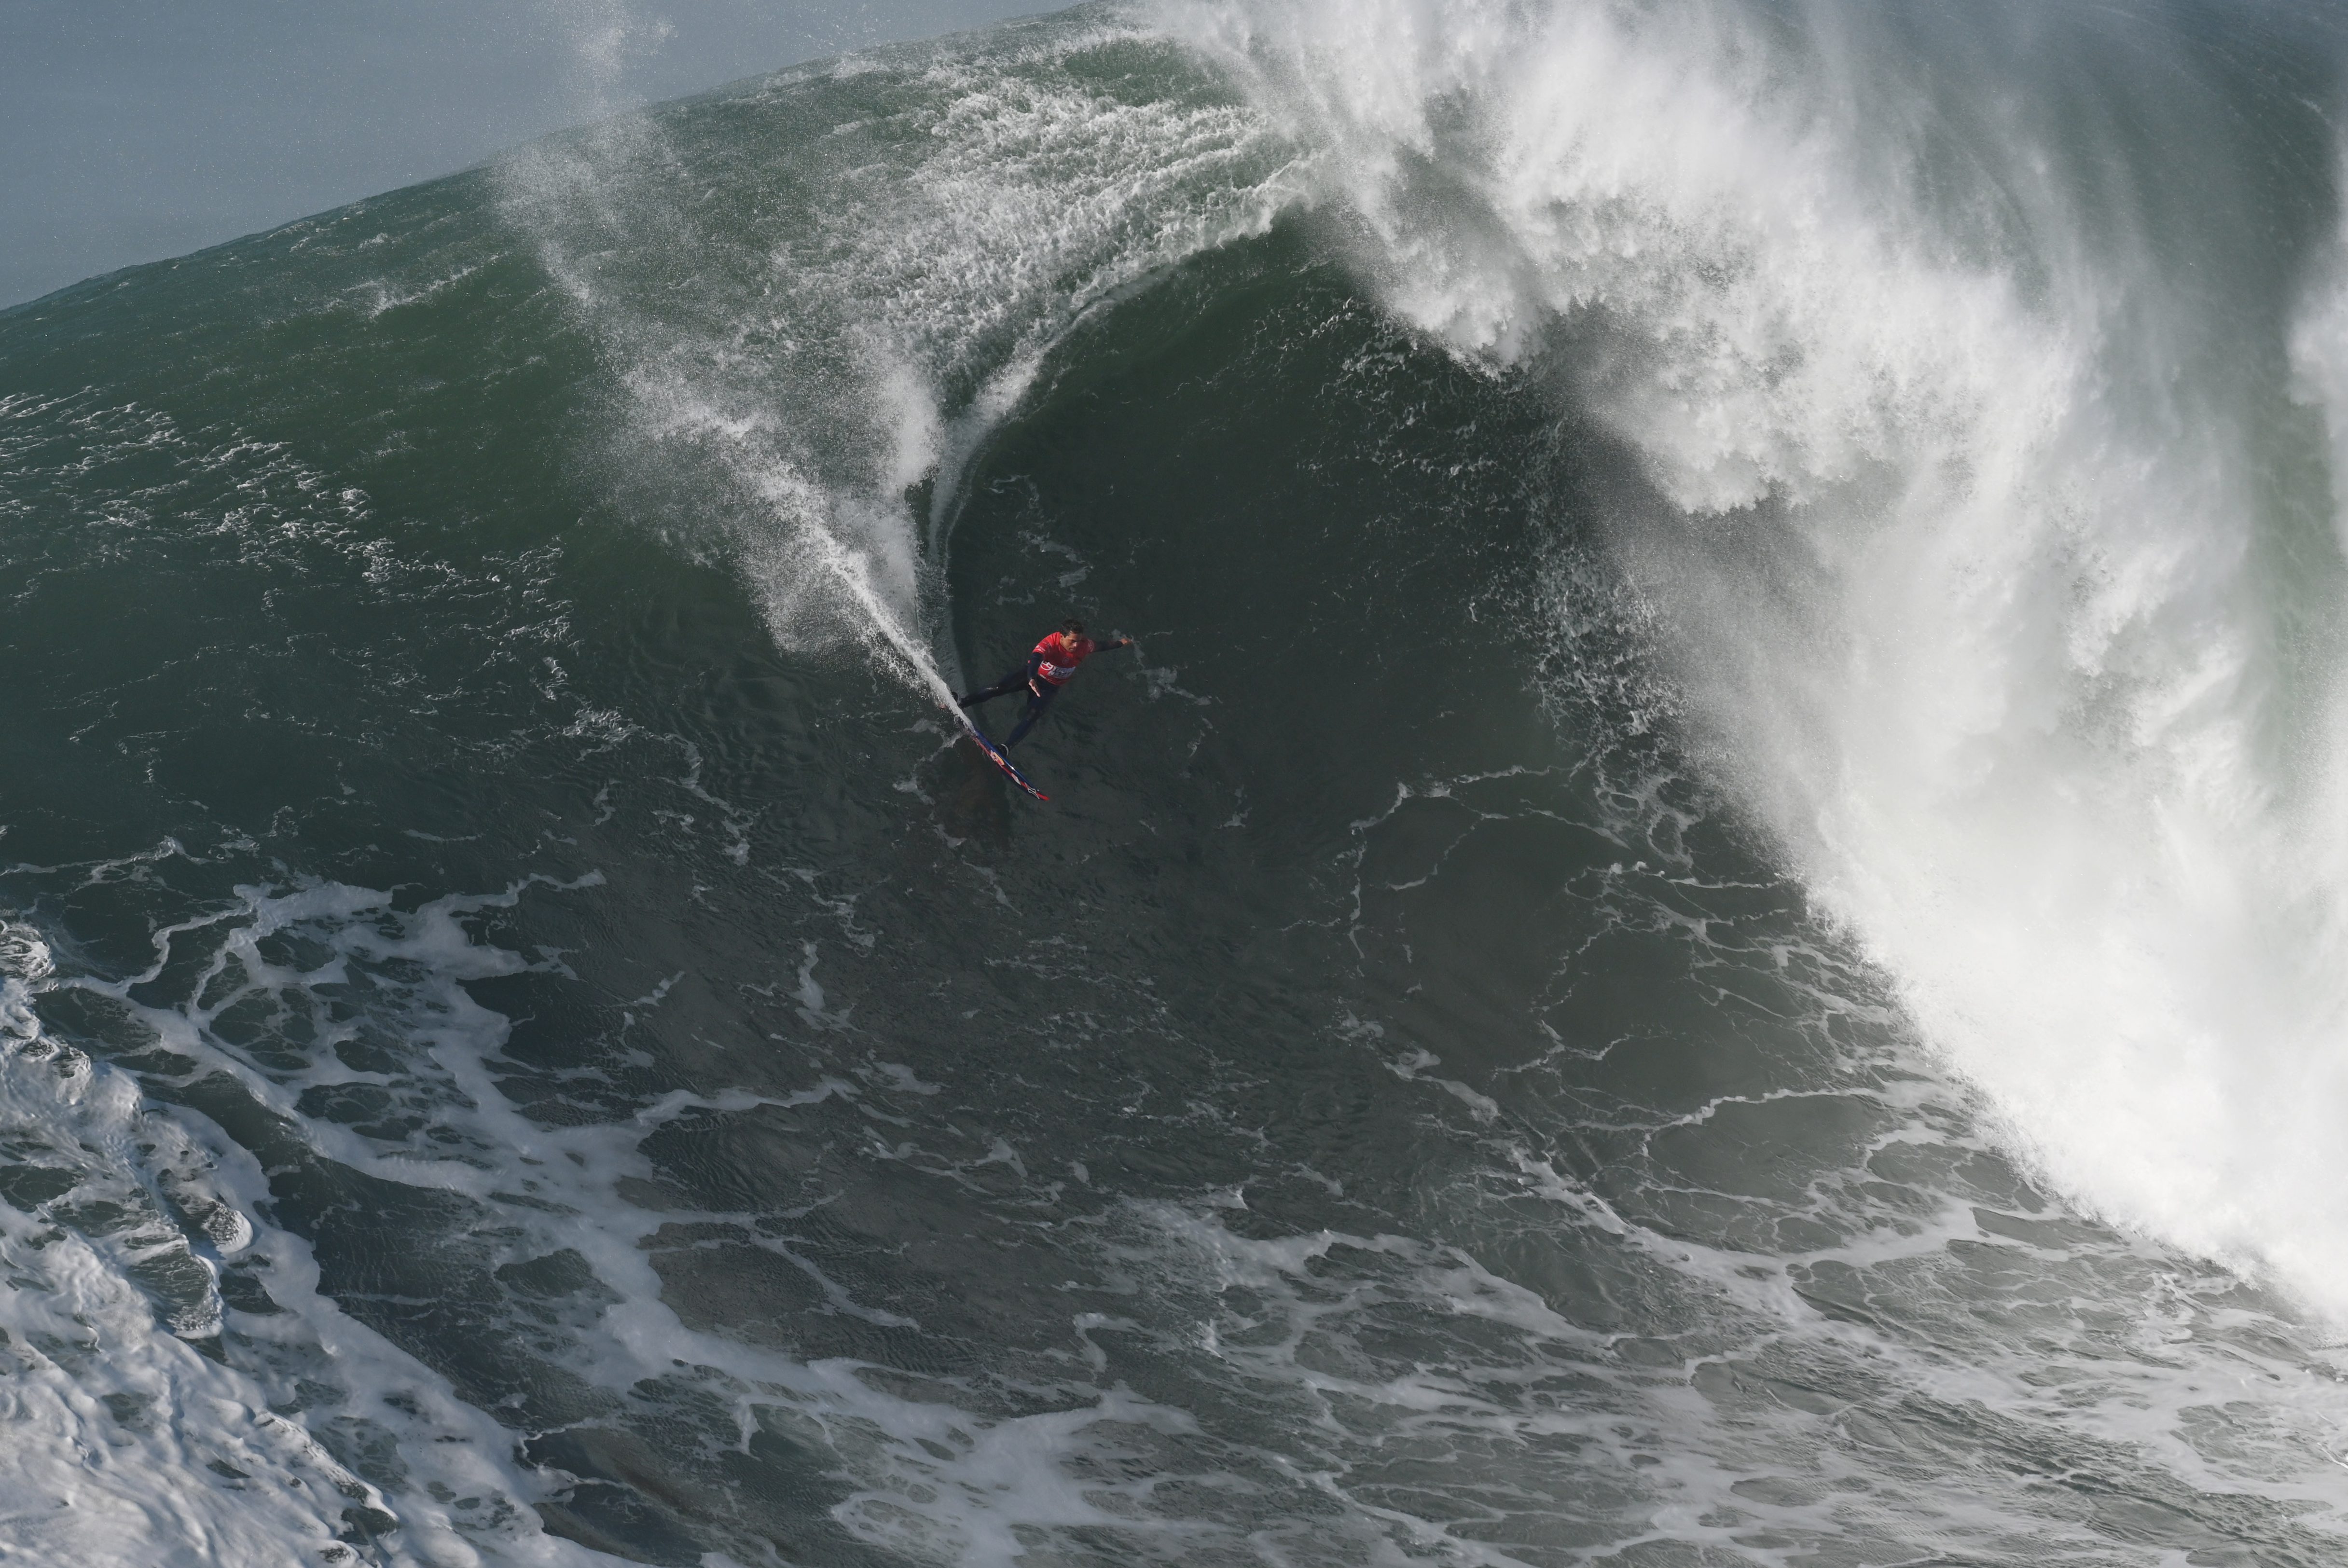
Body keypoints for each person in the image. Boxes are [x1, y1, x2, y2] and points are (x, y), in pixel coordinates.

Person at [958, 618, 1135, 745]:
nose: (1076, 646)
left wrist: (1120, 643)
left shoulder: (1084, 645)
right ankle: (961, 703)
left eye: (1079, 641)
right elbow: (1036, 658)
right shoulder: (1050, 643)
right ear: (1061, 636)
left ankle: (1005, 749)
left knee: (1033, 715)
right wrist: (1031, 678)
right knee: (998, 688)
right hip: (1029, 676)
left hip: (1050, 687)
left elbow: (1102, 646)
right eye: (1072, 641)